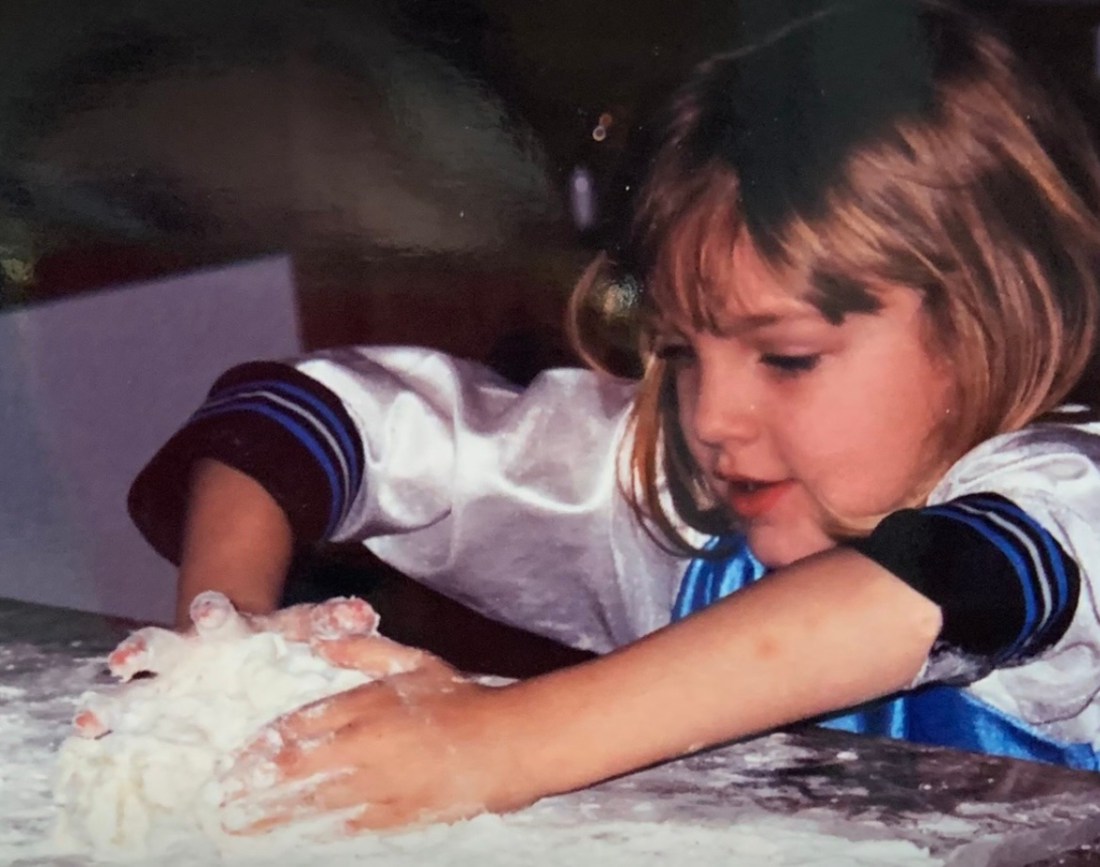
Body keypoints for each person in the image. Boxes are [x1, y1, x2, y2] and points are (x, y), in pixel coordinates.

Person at [126, 0, 1100, 836]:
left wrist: (499, 740)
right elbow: (325, 415)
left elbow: (916, 594)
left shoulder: (1067, 499)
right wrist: (224, 638)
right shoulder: (678, 512)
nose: (711, 415)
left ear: (994, 321)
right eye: (682, 351)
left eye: (787, 357)